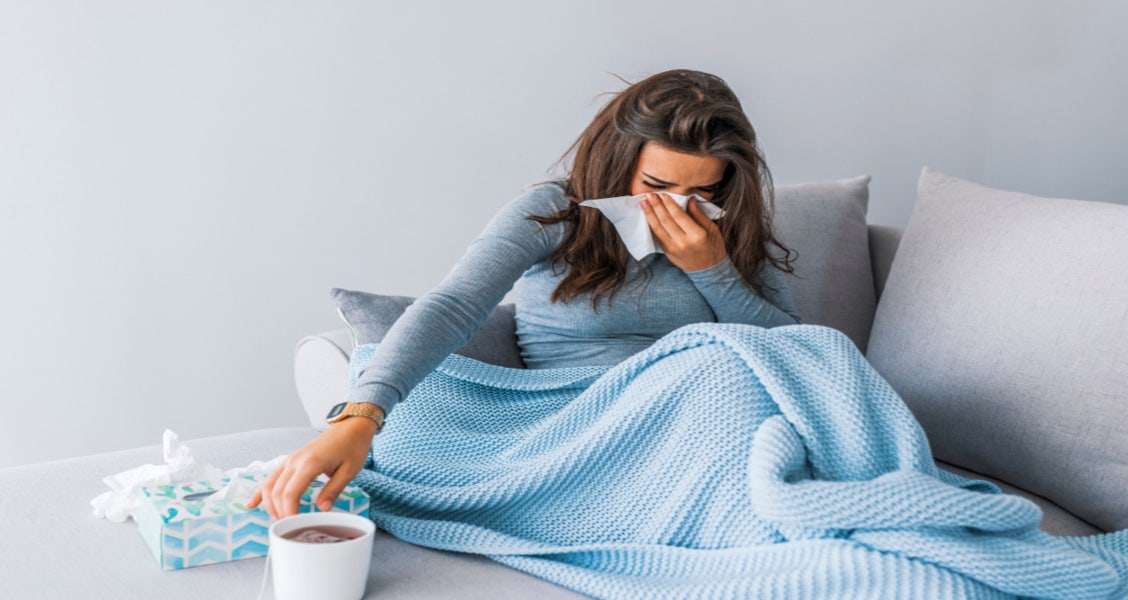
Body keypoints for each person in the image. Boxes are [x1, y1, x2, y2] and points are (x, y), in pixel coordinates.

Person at [249, 68, 802, 520]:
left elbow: (797, 354)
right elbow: (452, 305)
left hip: (690, 414)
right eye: (656, 187)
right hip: (572, 420)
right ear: (617, 161)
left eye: (701, 190)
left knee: (739, 375)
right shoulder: (555, 213)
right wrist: (359, 416)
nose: (677, 207)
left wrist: (714, 270)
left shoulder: (727, 230)